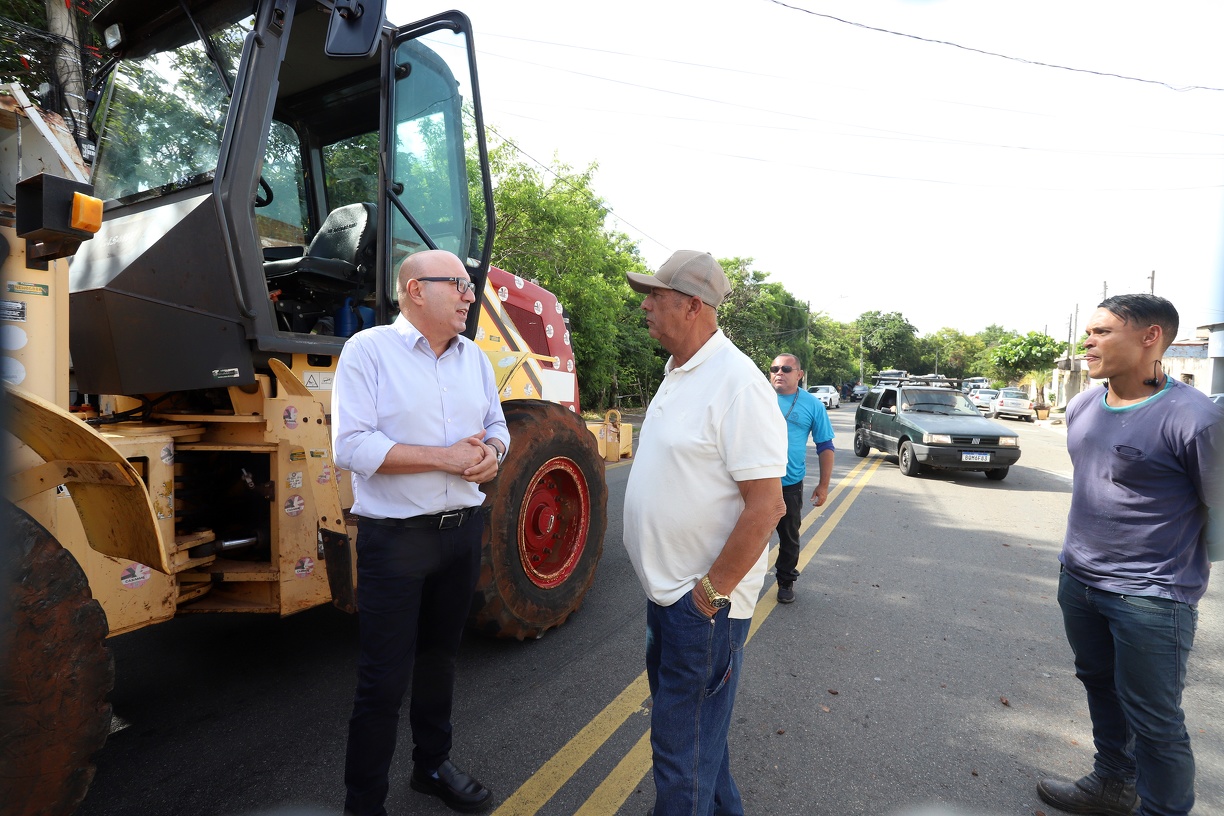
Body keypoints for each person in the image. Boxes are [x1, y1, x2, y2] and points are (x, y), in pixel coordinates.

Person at [332, 249, 509, 816]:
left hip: (461, 536)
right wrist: (449, 459)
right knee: (383, 681)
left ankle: (432, 766)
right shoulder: (368, 351)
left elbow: (498, 426)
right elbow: (352, 447)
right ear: (414, 290)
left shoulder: (474, 360)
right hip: (396, 542)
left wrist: (493, 455)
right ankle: (364, 803)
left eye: (467, 285)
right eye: (457, 283)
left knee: (439, 661)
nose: (468, 295)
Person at [1037, 294, 1222, 816]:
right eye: (1088, 332)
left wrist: (1178, 565)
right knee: (1099, 685)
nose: (1088, 341)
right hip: (1079, 580)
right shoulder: (1082, 405)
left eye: (1102, 332)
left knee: (1156, 720)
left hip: (1152, 597)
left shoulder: (1195, 418)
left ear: (1151, 337)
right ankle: (1113, 783)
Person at [621, 249, 787, 816]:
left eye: (655, 296)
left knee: (680, 755)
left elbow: (766, 507)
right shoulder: (677, 372)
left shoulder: (738, 383)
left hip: (701, 609)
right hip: (667, 599)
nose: (644, 305)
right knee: (697, 748)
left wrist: (709, 596)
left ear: (692, 306)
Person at [768, 354, 834, 604]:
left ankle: (785, 581)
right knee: (743, 532)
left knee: (789, 536)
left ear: (799, 374)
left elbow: (825, 445)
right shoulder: (756, 397)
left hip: (789, 484)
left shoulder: (812, 404)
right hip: (753, 482)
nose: (779, 373)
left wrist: (824, 485)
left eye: (786, 368)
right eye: (774, 368)